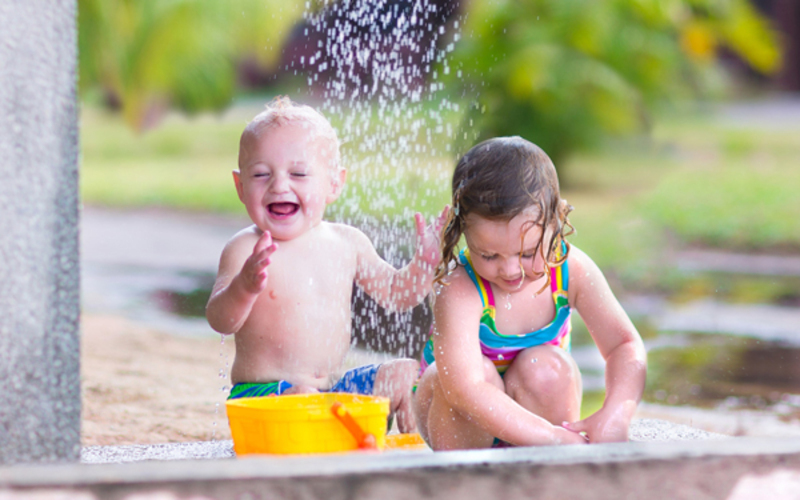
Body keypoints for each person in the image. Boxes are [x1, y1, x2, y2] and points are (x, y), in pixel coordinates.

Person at [206, 96, 447, 433]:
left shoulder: (348, 243)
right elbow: (220, 321)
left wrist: (423, 264)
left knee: (407, 374)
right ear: (240, 186)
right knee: (304, 396)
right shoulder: (245, 249)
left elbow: (397, 294)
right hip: (264, 396)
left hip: (331, 391)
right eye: (261, 174)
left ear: (334, 183)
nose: (279, 185)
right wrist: (244, 287)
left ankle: (409, 452)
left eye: (298, 173)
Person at [412, 136, 647, 449]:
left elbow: (624, 345)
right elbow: (463, 389)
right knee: (472, 374)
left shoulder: (571, 271)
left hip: (536, 415)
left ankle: (542, 466)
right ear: (463, 231)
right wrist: (550, 436)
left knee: (548, 369)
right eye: (489, 255)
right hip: (460, 421)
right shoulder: (461, 287)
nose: (511, 271)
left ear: (556, 220)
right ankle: (470, 476)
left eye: (527, 253)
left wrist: (616, 413)